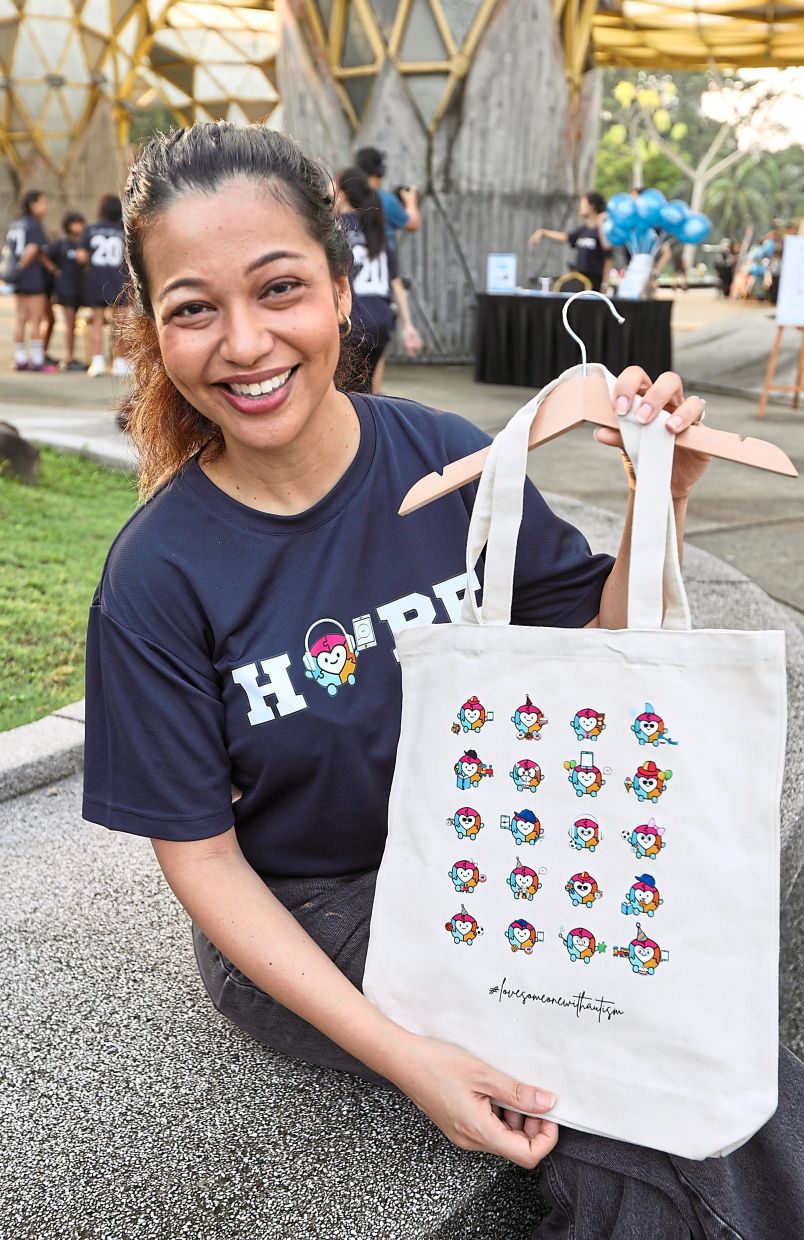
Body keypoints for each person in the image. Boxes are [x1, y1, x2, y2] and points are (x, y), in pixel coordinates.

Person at [81, 123, 802, 1239]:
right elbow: (207, 864)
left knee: (711, 1046)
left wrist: (663, 499)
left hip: (500, 847)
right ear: (154, 328)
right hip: (321, 910)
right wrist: (411, 1056)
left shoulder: (441, 456)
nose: (245, 342)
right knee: (609, 1086)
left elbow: (600, 661)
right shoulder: (158, 575)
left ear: (340, 288)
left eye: (280, 288)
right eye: (193, 307)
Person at [335, 166, 421, 393]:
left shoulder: (337, 229)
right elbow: (395, 282)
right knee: (365, 390)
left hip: (355, 322)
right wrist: (408, 325)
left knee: (345, 394)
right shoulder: (375, 229)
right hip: (381, 321)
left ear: (341, 194)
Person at [3, 189, 58, 372]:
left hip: (18, 280)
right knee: (35, 320)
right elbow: (34, 249)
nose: (45, 207)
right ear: (32, 204)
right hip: (31, 277)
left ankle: (19, 358)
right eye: (42, 203)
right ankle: (37, 359)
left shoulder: (17, 224)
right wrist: (21, 268)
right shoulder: (34, 224)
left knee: (20, 318)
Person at [76, 193, 129, 377]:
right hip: (119, 281)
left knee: (96, 322)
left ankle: (97, 362)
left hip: (96, 281)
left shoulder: (91, 229)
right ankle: (120, 363)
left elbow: (81, 256)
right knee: (120, 324)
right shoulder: (124, 230)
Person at [529, 192, 612, 292]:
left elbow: (608, 256)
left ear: (592, 206)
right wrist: (543, 232)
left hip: (595, 282)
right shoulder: (583, 230)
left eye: (583, 204)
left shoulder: (603, 231)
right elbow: (566, 237)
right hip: (580, 281)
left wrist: (605, 284)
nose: (580, 207)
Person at [50, 211, 88, 371]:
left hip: (81, 288)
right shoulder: (62, 244)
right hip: (66, 289)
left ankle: (74, 356)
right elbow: (45, 256)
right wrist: (54, 270)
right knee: (69, 323)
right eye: (75, 223)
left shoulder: (84, 244)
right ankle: (70, 357)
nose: (79, 226)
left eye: (81, 222)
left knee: (76, 323)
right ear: (69, 225)